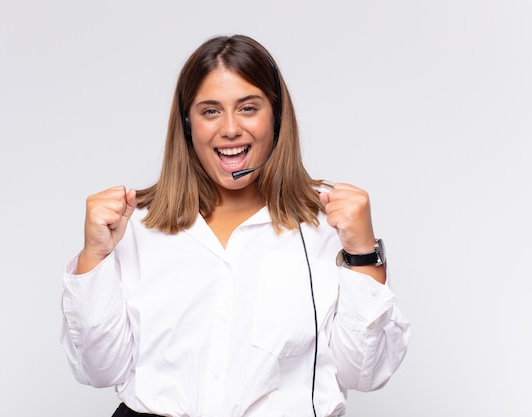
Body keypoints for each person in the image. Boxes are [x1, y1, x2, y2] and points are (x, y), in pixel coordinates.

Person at [60, 34, 410, 417]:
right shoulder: (135, 224)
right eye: (210, 111)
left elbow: (365, 372)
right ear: (187, 123)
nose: (230, 129)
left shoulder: (329, 222)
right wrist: (94, 257)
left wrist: (362, 255)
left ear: (276, 118)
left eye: (247, 108)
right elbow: (99, 370)